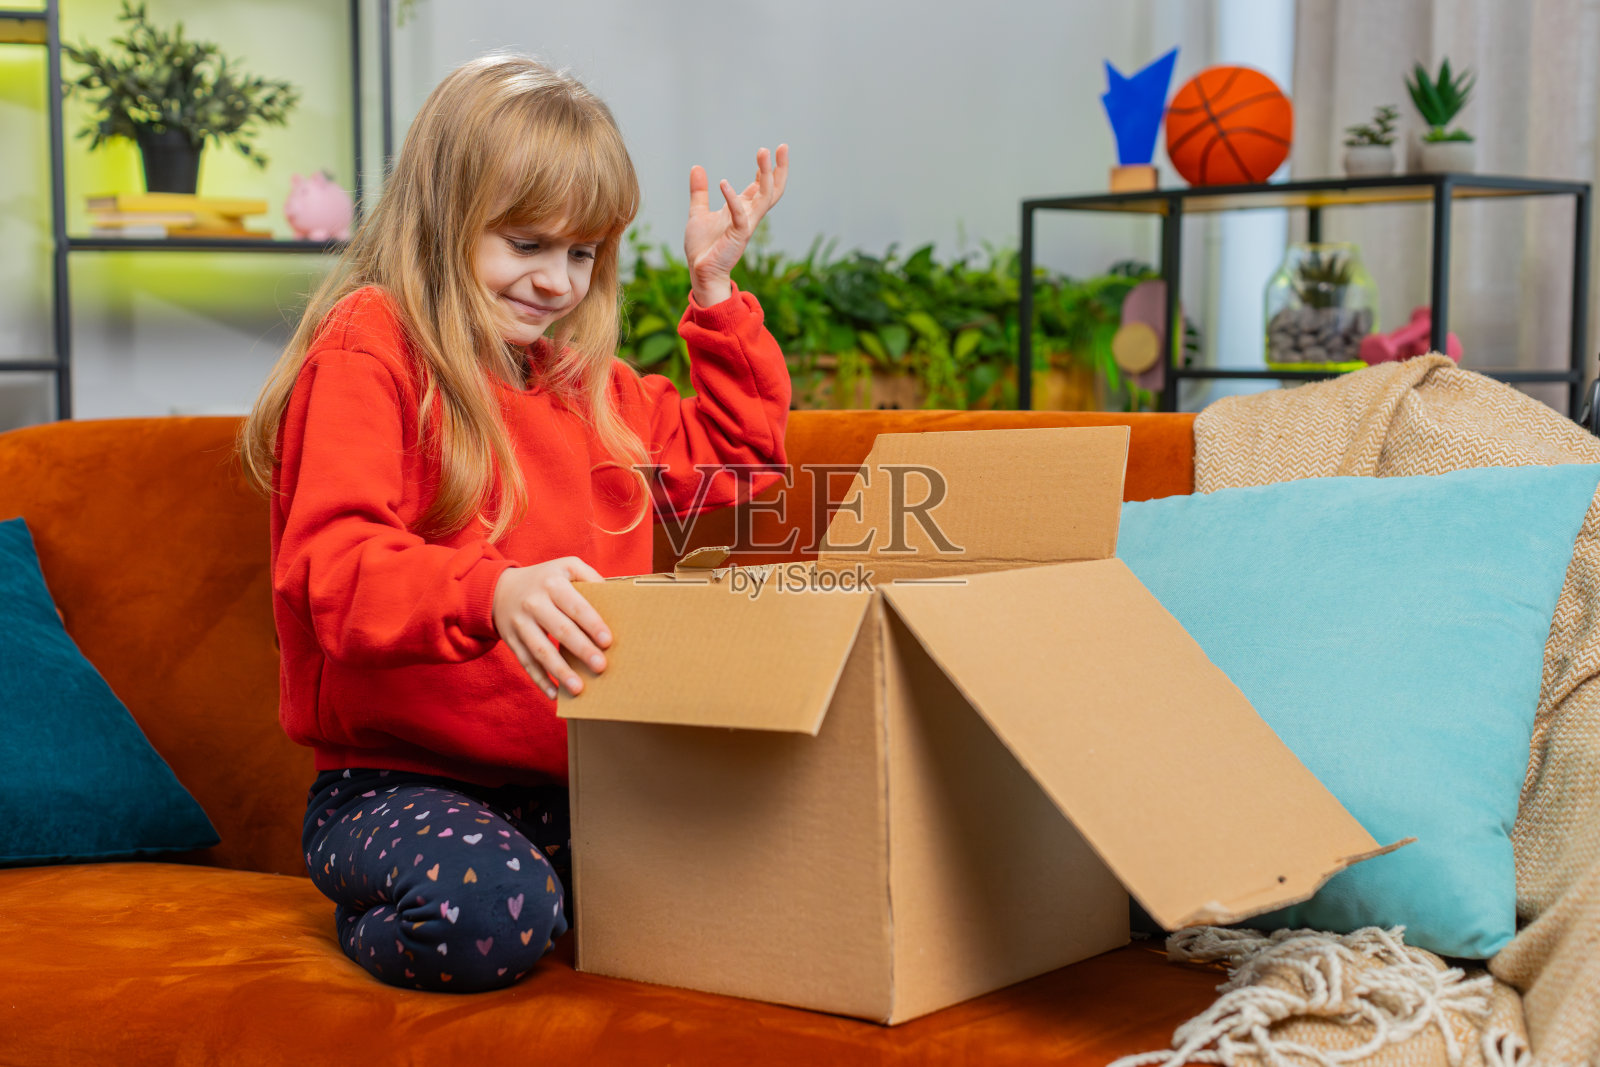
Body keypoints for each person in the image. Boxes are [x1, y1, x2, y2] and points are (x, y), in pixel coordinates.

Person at [238, 52, 791, 993]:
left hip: (579, 793)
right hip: (397, 786)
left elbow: (741, 469)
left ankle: (560, 895)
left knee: (762, 887)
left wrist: (715, 294)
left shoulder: (590, 390)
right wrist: (494, 589)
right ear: (444, 219)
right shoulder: (371, 346)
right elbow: (335, 568)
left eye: (582, 253)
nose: (557, 282)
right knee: (492, 911)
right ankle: (377, 908)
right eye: (526, 243)